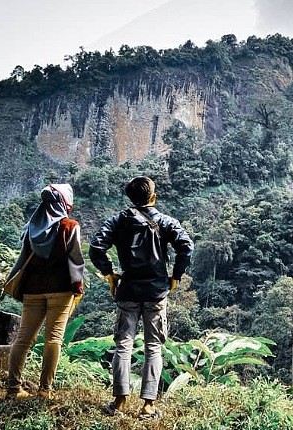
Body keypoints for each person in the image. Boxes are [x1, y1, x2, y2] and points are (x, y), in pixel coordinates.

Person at [89, 176, 193, 419]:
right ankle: (148, 405)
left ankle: (119, 401)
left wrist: (109, 274)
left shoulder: (118, 221)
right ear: (153, 198)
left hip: (128, 290)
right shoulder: (165, 221)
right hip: (156, 291)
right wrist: (175, 276)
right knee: (153, 347)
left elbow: (96, 247)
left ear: (130, 198)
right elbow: (186, 246)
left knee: (123, 345)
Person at [6, 184, 85, 400]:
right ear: (64, 203)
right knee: (54, 339)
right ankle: (44, 390)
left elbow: (23, 258)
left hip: (32, 290)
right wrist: (78, 288)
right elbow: (76, 261)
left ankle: (13, 389)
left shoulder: (31, 227)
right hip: (60, 290)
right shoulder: (70, 226)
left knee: (23, 339)